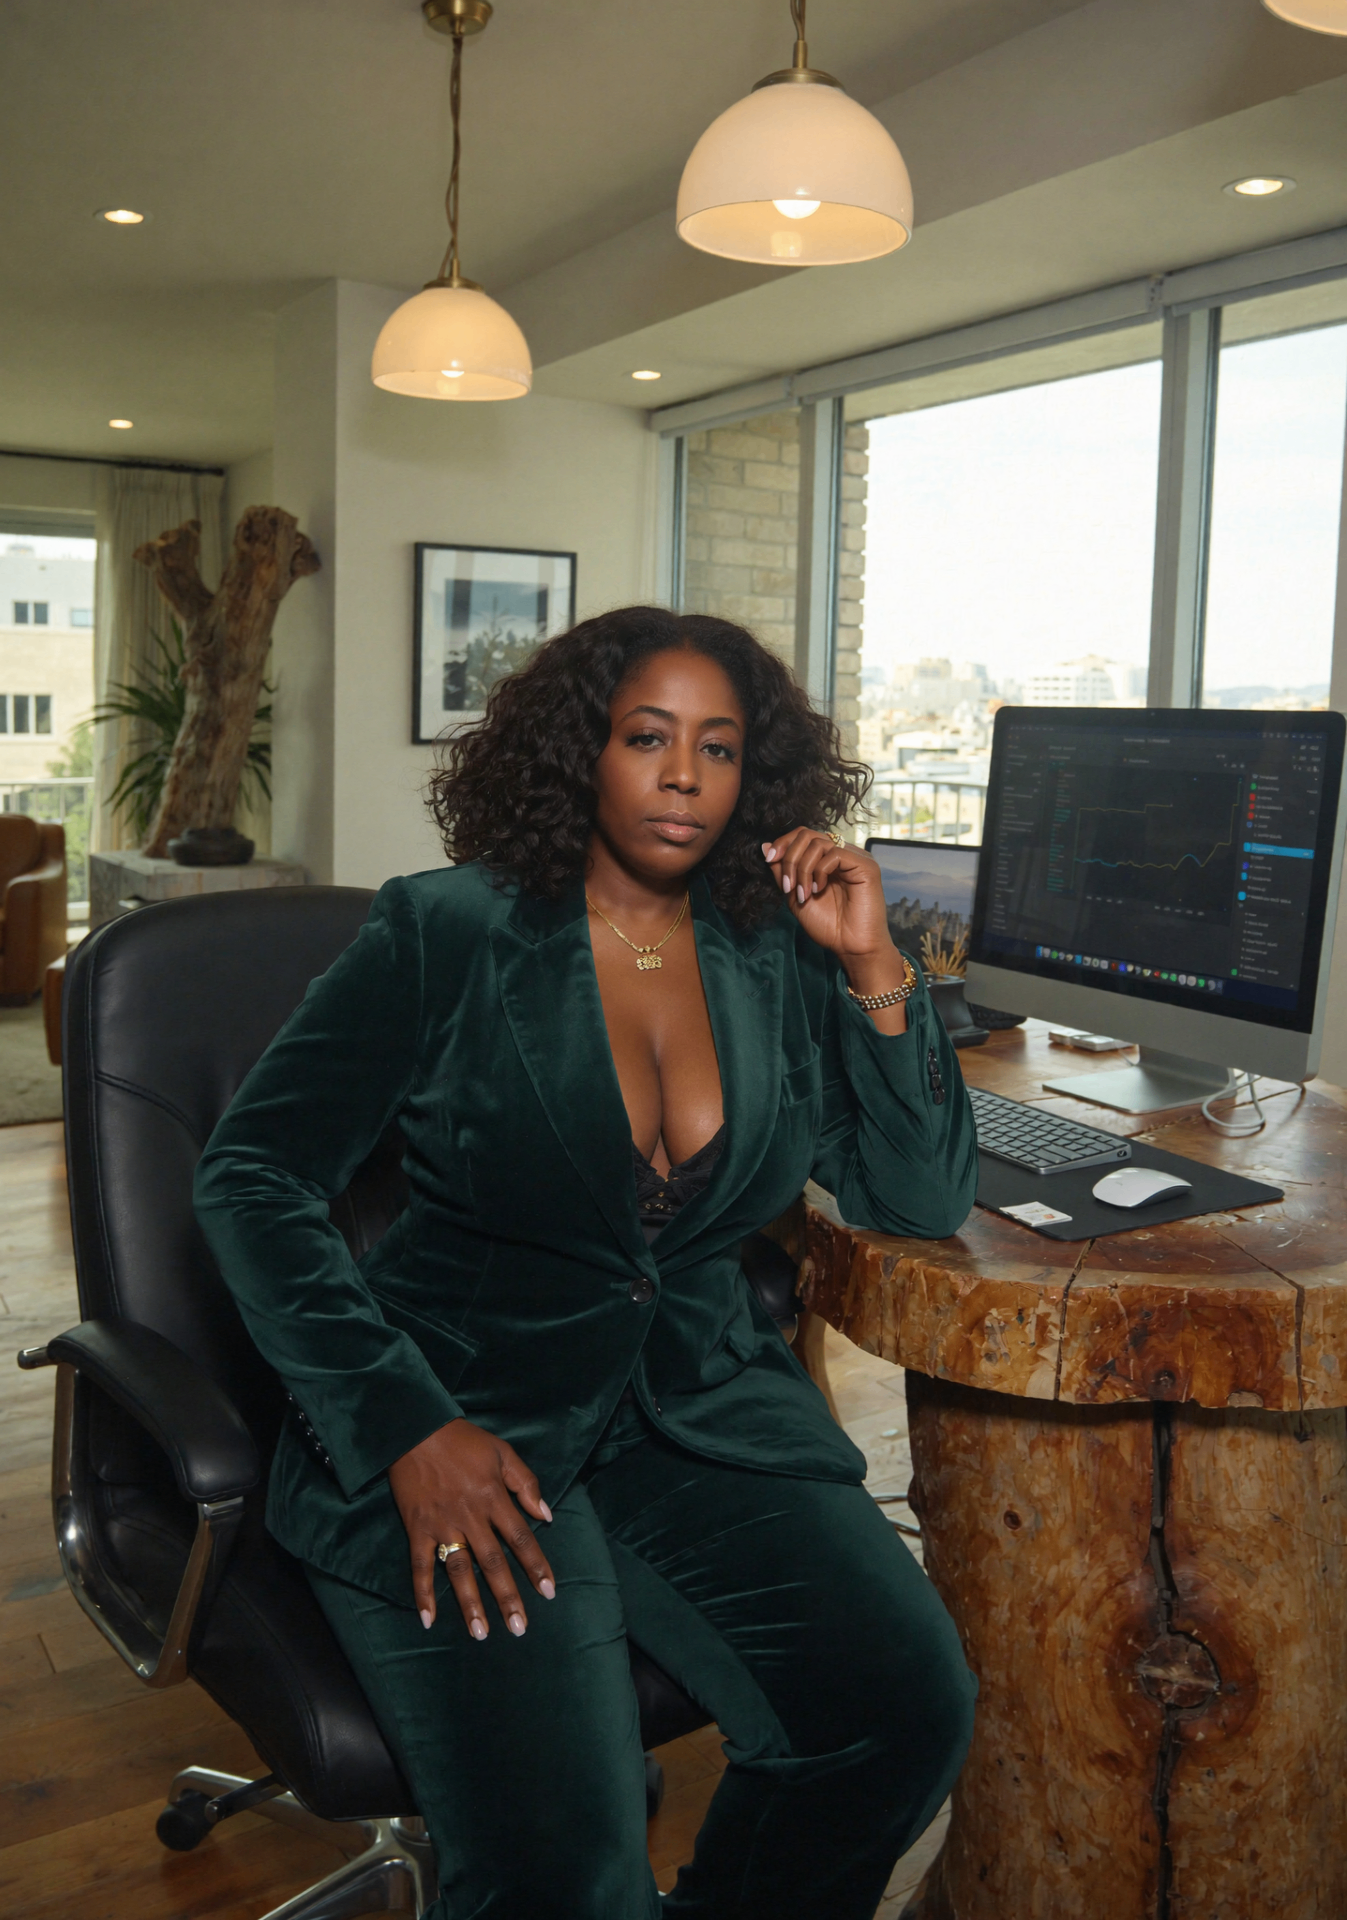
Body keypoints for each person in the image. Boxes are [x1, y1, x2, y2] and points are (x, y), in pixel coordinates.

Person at [194, 606, 978, 1919]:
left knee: (901, 1710)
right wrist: (401, 1426)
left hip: (698, 1414)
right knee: (563, 1874)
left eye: (718, 749)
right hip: (462, 1423)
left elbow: (918, 1192)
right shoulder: (445, 931)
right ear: (581, 753)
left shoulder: (772, 949)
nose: (684, 778)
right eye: (647, 738)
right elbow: (251, 1177)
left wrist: (874, 963)